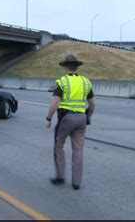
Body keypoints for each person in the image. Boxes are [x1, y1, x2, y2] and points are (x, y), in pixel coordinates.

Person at [46, 54, 95, 190]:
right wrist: (88, 116)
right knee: (78, 151)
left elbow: (55, 103)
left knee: (59, 145)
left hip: (66, 119)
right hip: (81, 119)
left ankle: (60, 177)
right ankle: (76, 183)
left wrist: (49, 118)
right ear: (77, 67)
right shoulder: (86, 82)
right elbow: (92, 104)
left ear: (66, 67)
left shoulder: (62, 82)